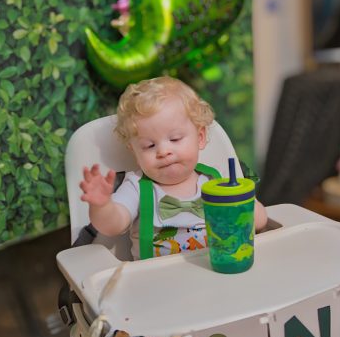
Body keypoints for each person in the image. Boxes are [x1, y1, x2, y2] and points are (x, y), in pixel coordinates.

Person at [79, 76, 268, 259]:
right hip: (157, 283)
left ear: (200, 138)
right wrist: (101, 205)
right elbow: (113, 224)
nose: (163, 151)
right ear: (135, 152)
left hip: (213, 272)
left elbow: (259, 222)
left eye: (175, 139)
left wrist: (243, 203)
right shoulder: (137, 187)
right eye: (149, 145)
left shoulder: (214, 181)